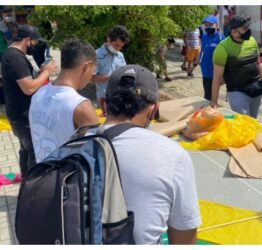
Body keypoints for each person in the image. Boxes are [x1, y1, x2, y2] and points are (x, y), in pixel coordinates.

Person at [98, 64, 201, 244]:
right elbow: (184, 240)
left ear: (102, 105)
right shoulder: (171, 155)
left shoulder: (70, 147)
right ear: (153, 111)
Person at [29, 38, 98, 163]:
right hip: (67, 180)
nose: (90, 78)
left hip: (41, 173)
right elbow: (95, 157)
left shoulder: (38, 94)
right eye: (92, 72)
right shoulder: (81, 107)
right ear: (86, 67)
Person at [1, 24, 58, 175]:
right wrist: (46, 73)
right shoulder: (14, 58)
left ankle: (26, 188)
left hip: (20, 113)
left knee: (25, 150)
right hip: (22, 115)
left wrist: (41, 72)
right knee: (33, 151)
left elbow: (27, 80)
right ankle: (33, 190)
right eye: (34, 42)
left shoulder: (15, 56)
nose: (35, 45)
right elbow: (29, 88)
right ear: (27, 40)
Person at [210, 15, 262, 118]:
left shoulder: (252, 41)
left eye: (248, 27)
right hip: (237, 91)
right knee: (244, 124)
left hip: (256, 89)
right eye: (245, 28)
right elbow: (217, 78)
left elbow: (258, 63)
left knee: (253, 123)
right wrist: (214, 102)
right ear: (234, 32)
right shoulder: (223, 47)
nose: (248, 30)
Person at [92, 25, 130, 106]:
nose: (118, 49)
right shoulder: (96, 55)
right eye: (117, 45)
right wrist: (110, 78)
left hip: (120, 98)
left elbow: (125, 72)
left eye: (121, 47)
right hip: (104, 100)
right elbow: (90, 78)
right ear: (108, 40)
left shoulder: (120, 55)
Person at [199, 15, 224, 101]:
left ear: (216, 25)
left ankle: (210, 110)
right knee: (207, 92)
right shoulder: (205, 36)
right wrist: (198, 60)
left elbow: (225, 57)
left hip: (214, 72)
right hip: (205, 70)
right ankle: (208, 108)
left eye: (210, 24)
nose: (208, 27)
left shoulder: (221, 39)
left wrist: (223, 76)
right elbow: (202, 49)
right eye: (206, 25)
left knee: (210, 96)